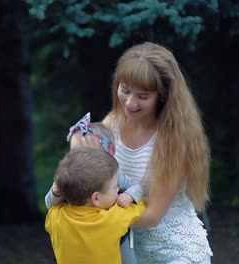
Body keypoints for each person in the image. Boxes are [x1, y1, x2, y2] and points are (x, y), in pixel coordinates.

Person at [103, 41, 213, 263]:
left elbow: (152, 216)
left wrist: (94, 217)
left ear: (162, 95)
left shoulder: (174, 141)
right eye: (125, 90)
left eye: (143, 96)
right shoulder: (110, 125)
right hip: (128, 251)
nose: (130, 102)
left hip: (176, 252)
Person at [44, 112, 142, 264]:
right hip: (81, 228)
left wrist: (129, 195)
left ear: (106, 154)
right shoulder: (69, 176)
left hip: (112, 227)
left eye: (90, 154)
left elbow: (135, 186)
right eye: (75, 152)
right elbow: (50, 204)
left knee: (125, 253)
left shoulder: (113, 174)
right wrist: (55, 192)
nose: (81, 158)